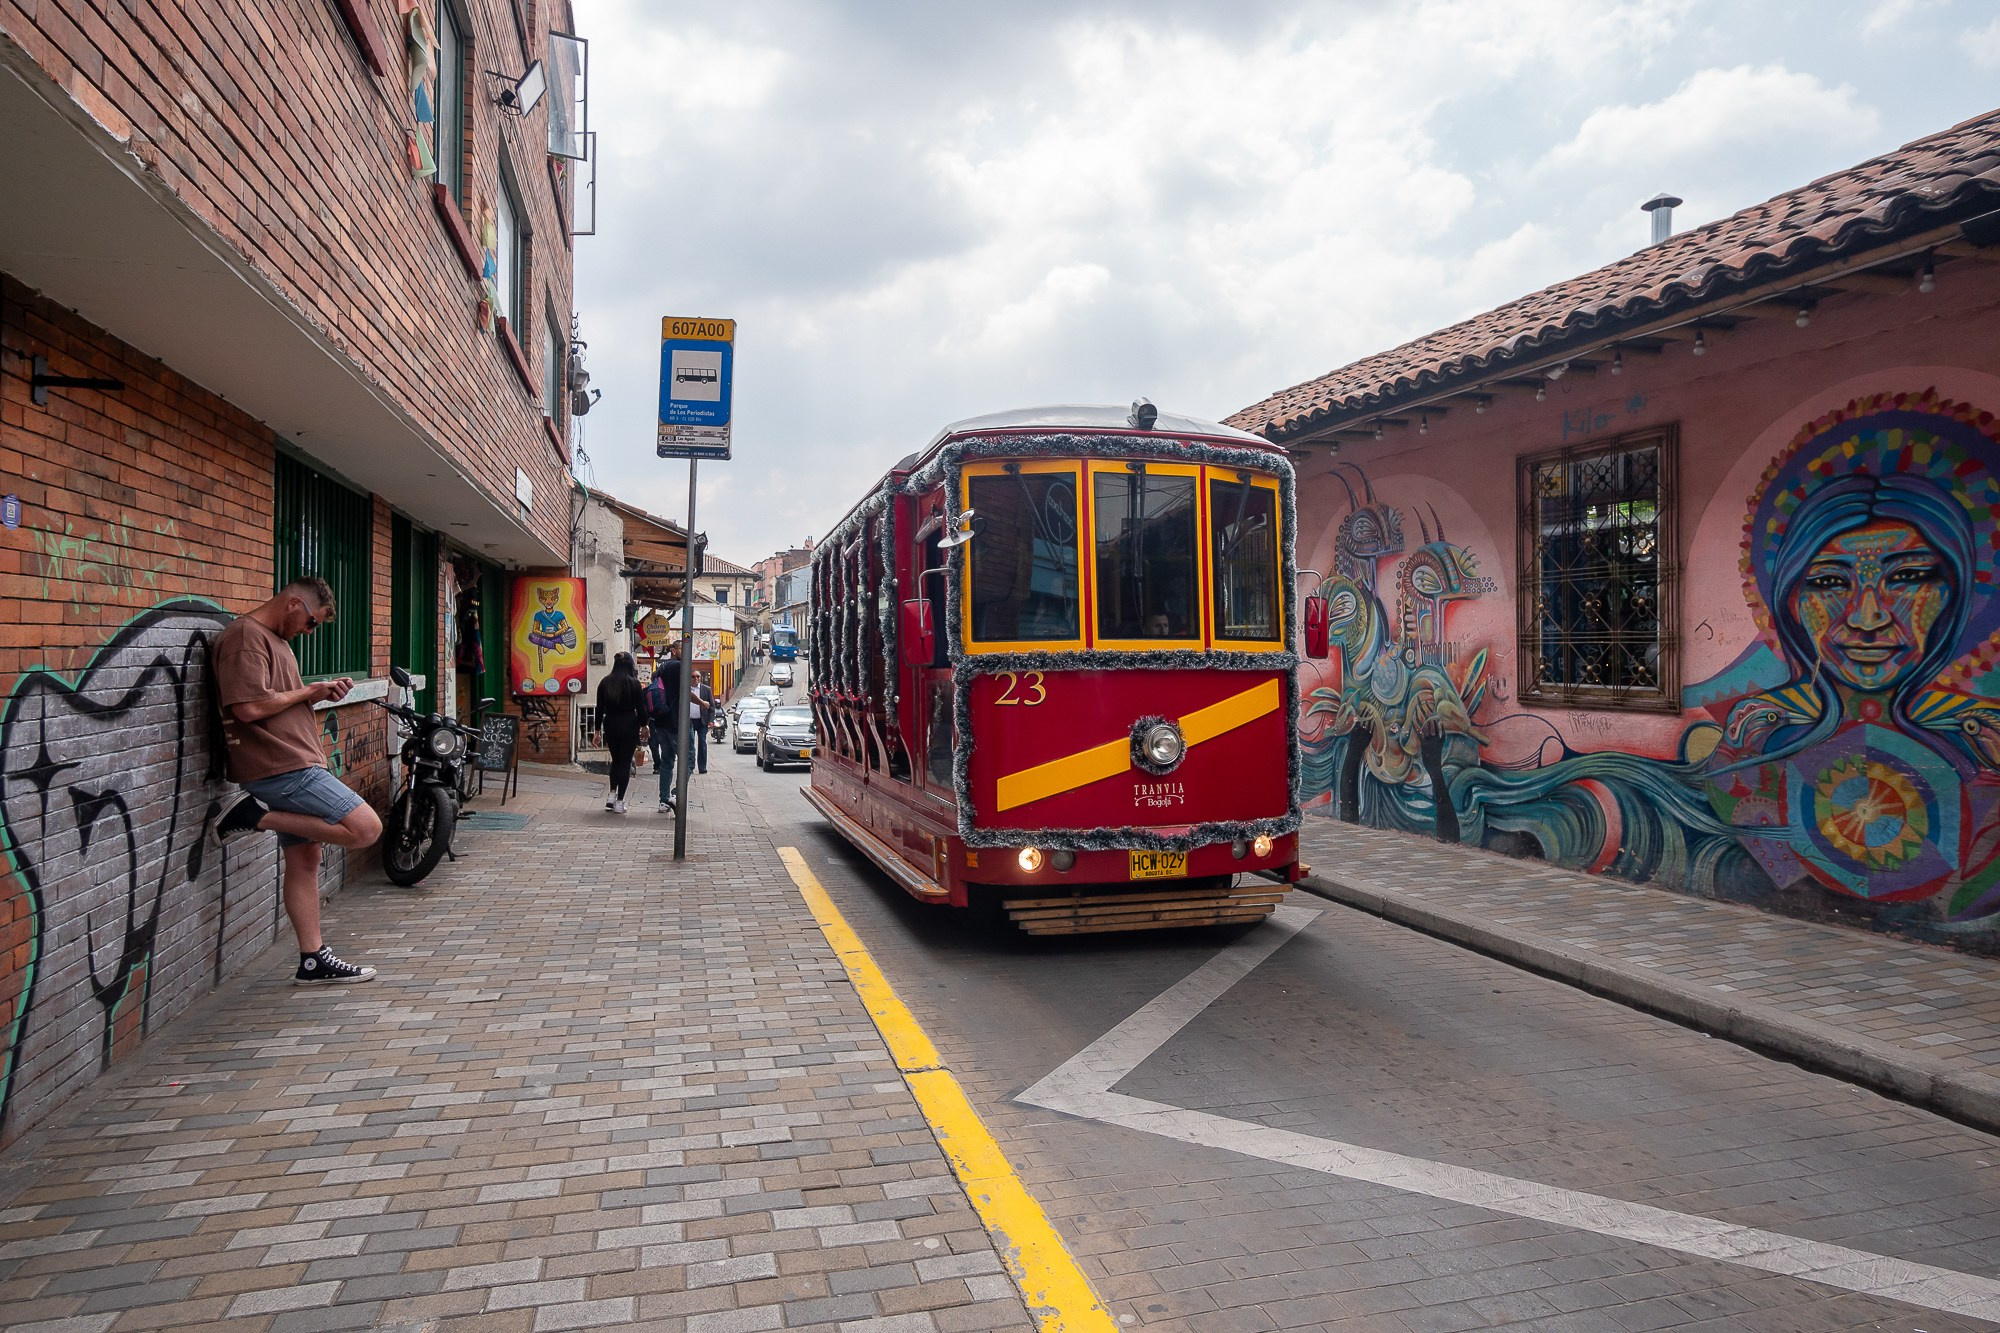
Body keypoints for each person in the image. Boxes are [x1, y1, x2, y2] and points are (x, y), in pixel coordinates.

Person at [210, 576, 386, 986]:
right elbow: (249, 708)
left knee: (306, 862)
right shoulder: (244, 637)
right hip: (281, 767)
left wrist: (317, 695)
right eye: (312, 623)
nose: (311, 632)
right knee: (366, 829)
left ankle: (312, 960)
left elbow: (274, 701)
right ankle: (255, 816)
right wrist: (310, 691)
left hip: (296, 762)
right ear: (293, 604)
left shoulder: (276, 643)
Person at [594, 652, 645, 813]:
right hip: (629, 722)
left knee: (615, 760)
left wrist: (596, 731)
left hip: (610, 722)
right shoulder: (634, 684)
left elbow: (599, 708)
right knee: (625, 762)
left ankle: (611, 793)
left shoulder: (605, 682)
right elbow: (641, 708)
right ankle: (620, 801)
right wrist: (645, 725)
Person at [694, 677, 715, 774]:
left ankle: (702, 767)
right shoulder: (686, 689)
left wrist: (711, 720)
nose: (696, 679)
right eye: (693, 676)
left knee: (702, 743)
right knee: (689, 744)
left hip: (702, 721)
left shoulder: (706, 689)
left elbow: (712, 706)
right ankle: (690, 765)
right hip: (689, 721)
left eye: (698, 676)